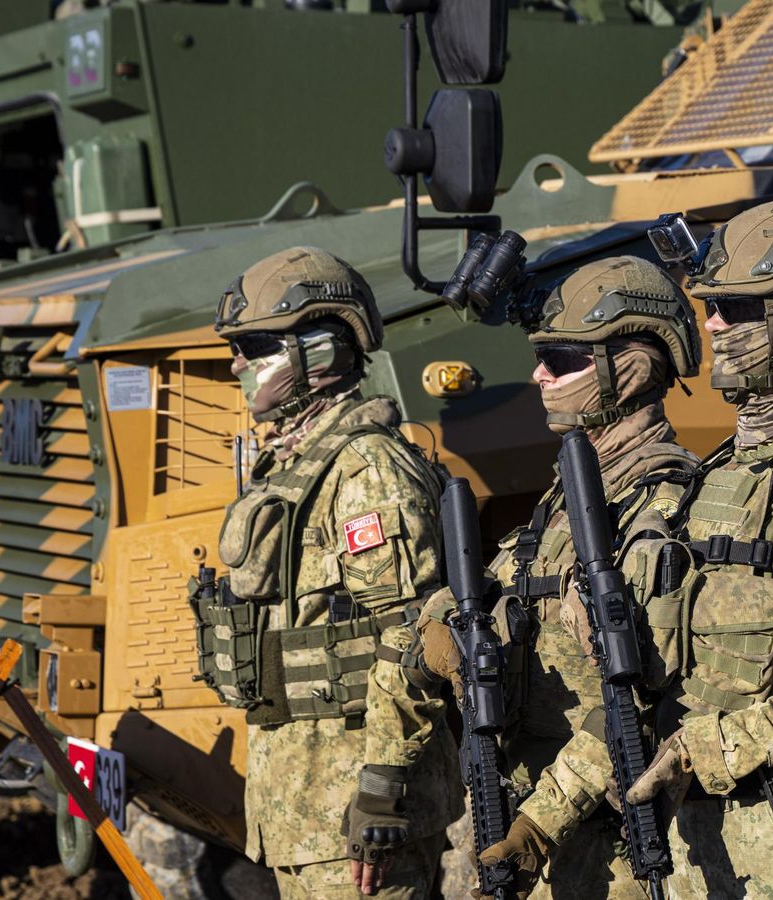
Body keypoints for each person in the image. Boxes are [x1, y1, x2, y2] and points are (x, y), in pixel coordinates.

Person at [485, 197, 773, 898]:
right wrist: (540, 824)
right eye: (710, 306)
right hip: (703, 858)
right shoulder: (716, 482)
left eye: (732, 308)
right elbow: (646, 693)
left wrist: (708, 749)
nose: (711, 325)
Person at [399, 255, 701, 898]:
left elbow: (644, 703)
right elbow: (483, 594)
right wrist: (432, 633)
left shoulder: (661, 505)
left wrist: (537, 828)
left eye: (562, 360)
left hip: (606, 847)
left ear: (633, 365)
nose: (539, 375)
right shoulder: (562, 504)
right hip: (536, 825)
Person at [193, 246, 458, 899]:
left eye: (255, 346)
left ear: (318, 351)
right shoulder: (291, 463)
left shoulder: (367, 469)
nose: (237, 365)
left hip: (357, 816)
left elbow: (412, 636)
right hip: (300, 808)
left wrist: (381, 792)